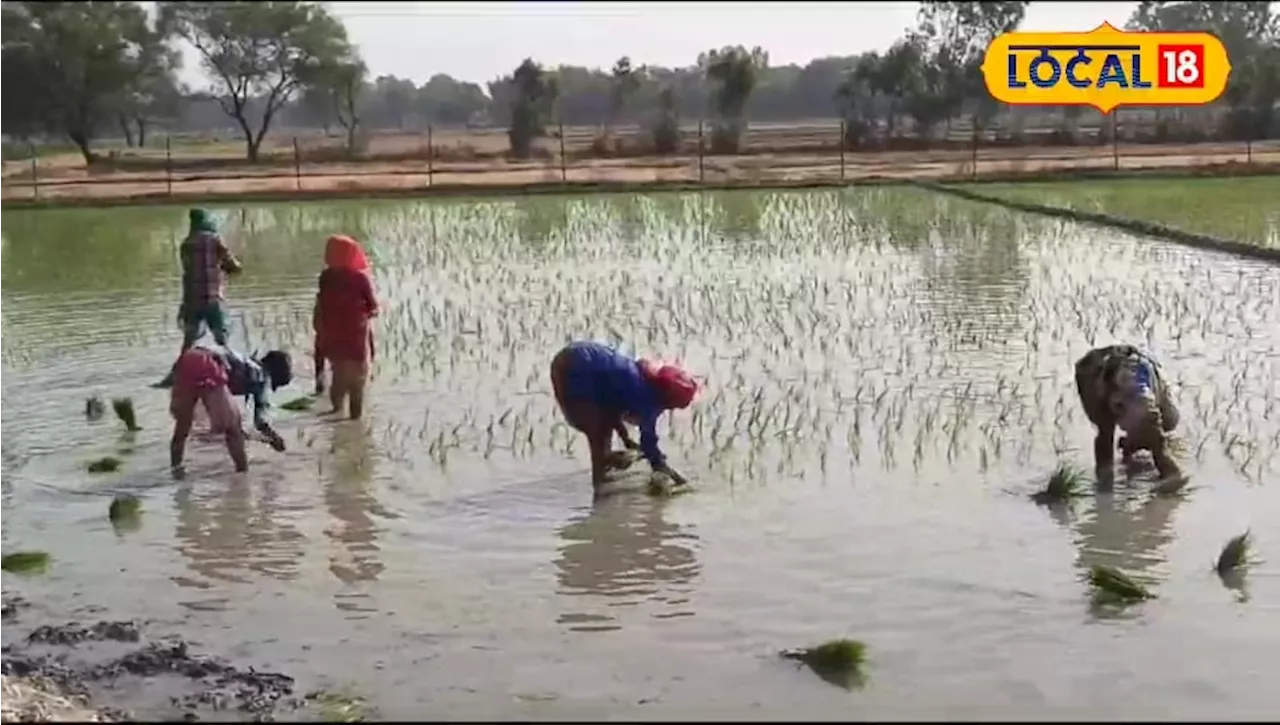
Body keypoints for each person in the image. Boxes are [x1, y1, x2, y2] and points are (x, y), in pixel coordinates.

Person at [549, 340, 698, 493]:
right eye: (672, 406)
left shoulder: (639, 379)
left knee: (601, 425)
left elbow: (611, 408)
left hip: (574, 357)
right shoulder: (646, 398)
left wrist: (625, 438)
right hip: (575, 367)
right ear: (667, 399)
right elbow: (649, 441)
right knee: (597, 434)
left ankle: (605, 467)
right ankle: (600, 489)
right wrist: (664, 468)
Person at [169, 344, 293, 475]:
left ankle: (176, 471)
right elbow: (260, 421)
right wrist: (275, 438)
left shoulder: (247, 363)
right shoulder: (262, 376)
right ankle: (243, 477)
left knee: (183, 425)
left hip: (190, 356)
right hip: (209, 362)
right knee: (233, 430)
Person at [157, 208, 242, 387]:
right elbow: (233, 266)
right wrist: (230, 267)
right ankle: (236, 371)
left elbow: (188, 274)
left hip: (193, 300)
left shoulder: (186, 244)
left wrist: (184, 305)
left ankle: (175, 375)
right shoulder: (215, 240)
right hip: (213, 299)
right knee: (222, 339)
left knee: (189, 341)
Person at [1074, 344, 1183, 484]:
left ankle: (1133, 442)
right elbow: (1104, 435)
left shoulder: (1136, 386)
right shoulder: (1091, 375)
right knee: (1105, 428)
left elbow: (1153, 425)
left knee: (1167, 422)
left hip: (1136, 371)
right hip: (1101, 374)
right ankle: (1106, 479)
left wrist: (1163, 461)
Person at [312, 235, 379, 419]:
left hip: (333, 336)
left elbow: (322, 303)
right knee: (358, 381)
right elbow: (373, 306)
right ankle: (354, 423)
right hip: (356, 336)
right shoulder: (360, 279)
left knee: (339, 377)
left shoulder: (326, 277)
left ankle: (336, 415)